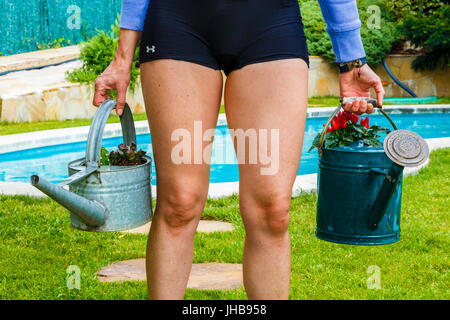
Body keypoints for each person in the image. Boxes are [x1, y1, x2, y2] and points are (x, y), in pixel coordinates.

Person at [93, 0, 385, 300]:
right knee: (179, 202)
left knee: (271, 209)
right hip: (178, 19)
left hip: (270, 22)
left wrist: (351, 58)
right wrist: (122, 57)